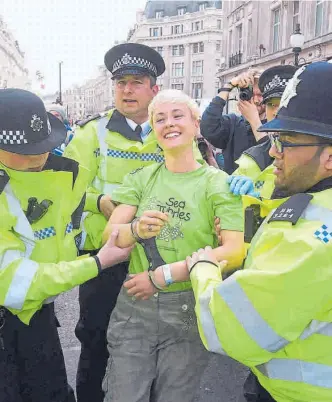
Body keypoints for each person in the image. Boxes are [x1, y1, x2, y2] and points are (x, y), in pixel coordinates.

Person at [186, 61, 332, 401]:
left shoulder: (311, 238)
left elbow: (232, 330)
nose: (274, 152)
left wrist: (203, 271)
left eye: (287, 141)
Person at [101, 89, 245, 402]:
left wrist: (163, 275)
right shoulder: (141, 178)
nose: (169, 123)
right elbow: (109, 237)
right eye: (160, 119)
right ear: (154, 130)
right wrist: (136, 230)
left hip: (188, 307)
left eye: (177, 115)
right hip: (134, 305)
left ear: (196, 124)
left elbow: (234, 250)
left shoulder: (218, 183)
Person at [0, 89, 133, 402]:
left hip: (36, 313)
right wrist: (98, 262)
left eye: (44, 147)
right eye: (28, 151)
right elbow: (16, 280)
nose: (40, 158)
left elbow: (45, 199)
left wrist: (95, 201)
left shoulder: (24, 170)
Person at [63, 43, 167, 402]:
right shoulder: (92, 132)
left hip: (157, 257)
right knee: (95, 338)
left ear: (154, 89)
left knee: (151, 343)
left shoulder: (169, 130)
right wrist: (100, 202)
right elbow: (66, 188)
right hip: (103, 255)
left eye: (136, 82)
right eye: (120, 82)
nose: (126, 89)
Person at [229, 65, 297, 199]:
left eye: (282, 103)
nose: (276, 111)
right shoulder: (252, 157)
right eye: (271, 105)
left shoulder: (313, 151)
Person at [200, 69, 266, 174]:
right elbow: (208, 127)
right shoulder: (233, 123)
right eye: (251, 94)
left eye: (260, 95)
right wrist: (229, 86)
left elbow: (270, 158)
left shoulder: (276, 126)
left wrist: (254, 121)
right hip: (235, 188)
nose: (256, 100)